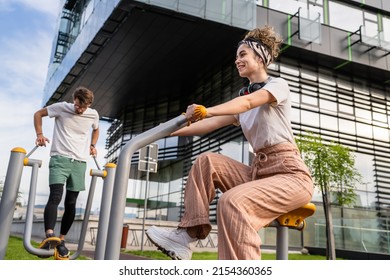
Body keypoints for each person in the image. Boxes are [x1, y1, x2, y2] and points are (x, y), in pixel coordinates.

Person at [146, 26, 314, 260]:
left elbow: (247, 103)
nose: (237, 60)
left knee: (231, 202)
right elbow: (209, 124)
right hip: (259, 173)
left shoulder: (277, 85)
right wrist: (164, 132)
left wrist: (207, 110)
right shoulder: (244, 98)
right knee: (207, 162)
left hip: (290, 176)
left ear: (261, 57)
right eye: (237, 56)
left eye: (243, 54)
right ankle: (186, 237)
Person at [33, 86, 99, 259]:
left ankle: (61, 240)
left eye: (83, 107)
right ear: (74, 100)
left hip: (80, 162)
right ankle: (49, 235)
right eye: (77, 105)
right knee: (55, 195)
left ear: (89, 105)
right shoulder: (61, 107)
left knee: (71, 202)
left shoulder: (93, 114)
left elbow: (96, 128)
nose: (79, 109)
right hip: (59, 158)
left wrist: (92, 145)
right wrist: (40, 134)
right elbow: (38, 114)